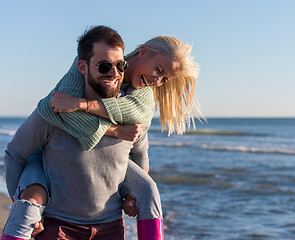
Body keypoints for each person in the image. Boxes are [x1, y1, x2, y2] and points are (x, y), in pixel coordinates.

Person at [2, 26, 201, 240]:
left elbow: (140, 155)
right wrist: (21, 204)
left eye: (120, 66)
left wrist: (131, 195)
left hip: (111, 226)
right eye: (105, 66)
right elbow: (16, 153)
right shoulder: (58, 108)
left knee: (149, 190)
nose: (114, 73)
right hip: (60, 226)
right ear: (83, 67)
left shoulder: (135, 115)